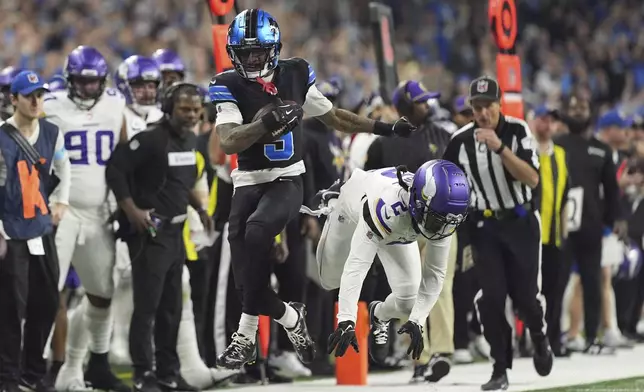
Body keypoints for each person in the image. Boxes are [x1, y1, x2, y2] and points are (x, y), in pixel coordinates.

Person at [208, 8, 415, 370]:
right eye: (246, 53)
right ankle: (291, 317)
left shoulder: (296, 73)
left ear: (274, 49)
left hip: (287, 178)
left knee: (257, 234)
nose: (253, 60)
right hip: (247, 182)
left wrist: (382, 128)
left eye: (260, 52)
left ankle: (245, 337)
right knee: (247, 284)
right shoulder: (227, 84)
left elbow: (333, 116)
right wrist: (263, 124)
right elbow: (227, 141)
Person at [442, 76, 552, 391]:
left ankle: (539, 335)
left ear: (498, 103)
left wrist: (500, 148)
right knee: (490, 299)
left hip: (520, 223)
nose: (483, 113)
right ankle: (499, 367)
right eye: (476, 107)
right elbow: (445, 178)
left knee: (526, 299)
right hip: (484, 226)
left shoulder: (518, 130)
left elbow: (532, 179)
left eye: (487, 105)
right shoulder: (460, 140)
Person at [309, 160, 468, 364]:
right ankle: (333, 198)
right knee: (330, 280)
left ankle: (379, 315)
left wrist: (417, 320)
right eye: (437, 221)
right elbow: (357, 265)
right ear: (418, 203)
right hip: (353, 210)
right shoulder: (387, 208)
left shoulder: (442, 215)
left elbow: (435, 275)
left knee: (410, 301)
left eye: (448, 222)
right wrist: (347, 319)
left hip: (400, 227)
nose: (441, 230)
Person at [105, 83, 208, 392]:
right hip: (151, 235)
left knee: (171, 308)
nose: (191, 115)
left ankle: (167, 372)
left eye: (195, 109)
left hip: (177, 234)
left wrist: (198, 206)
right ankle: (142, 373)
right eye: (184, 109)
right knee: (147, 307)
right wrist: (132, 210)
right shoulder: (151, 139)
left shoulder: (190, 140)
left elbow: (177, 180)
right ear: (168, 108)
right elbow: (115, 169)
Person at [42, 45, 130, 392]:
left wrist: (124, 202)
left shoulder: (115, 104)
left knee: (102, 292)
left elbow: (123, 155)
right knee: (50, 292)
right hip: (61, 211)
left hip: (99, 213)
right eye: (82, 82)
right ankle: (45, 366)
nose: (90, 89)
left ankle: (98, 363)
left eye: (95, 83)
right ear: (70, 79)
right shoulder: (50, 106)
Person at [0, 70, 71, 392]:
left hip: (41, 229)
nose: (35, 101)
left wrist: (61, 200)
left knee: (46, 302)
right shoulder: (2, 135)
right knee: (11, 308)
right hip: (10, 230)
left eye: (39, 95)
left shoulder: (52, 131)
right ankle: (8, 377)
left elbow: (63, 166)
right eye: (28, 95)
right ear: (12, 99)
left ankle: (33, 372)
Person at [555, 94, 626, 354]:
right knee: (558, 282)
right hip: (560, 228)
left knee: (593, 281)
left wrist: (614, 220)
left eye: (582, 107)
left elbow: (611, 190)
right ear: (564, 112)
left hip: (592, 227)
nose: (577, 111)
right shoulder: (556, 145)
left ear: (590, 112)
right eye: (572, 107)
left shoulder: (602, 150)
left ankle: (591, 337)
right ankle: (555, 337)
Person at [531, 106, 571, 357]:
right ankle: (532, 340)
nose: (548, 124)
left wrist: (564, 232)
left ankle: (554, 340)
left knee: (554, 291)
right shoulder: (527, 152)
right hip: (532, 234)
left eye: (551, 121)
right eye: (543, 119)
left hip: (554, 234)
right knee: (532, 292)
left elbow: (565, 194)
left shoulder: (560, 154)